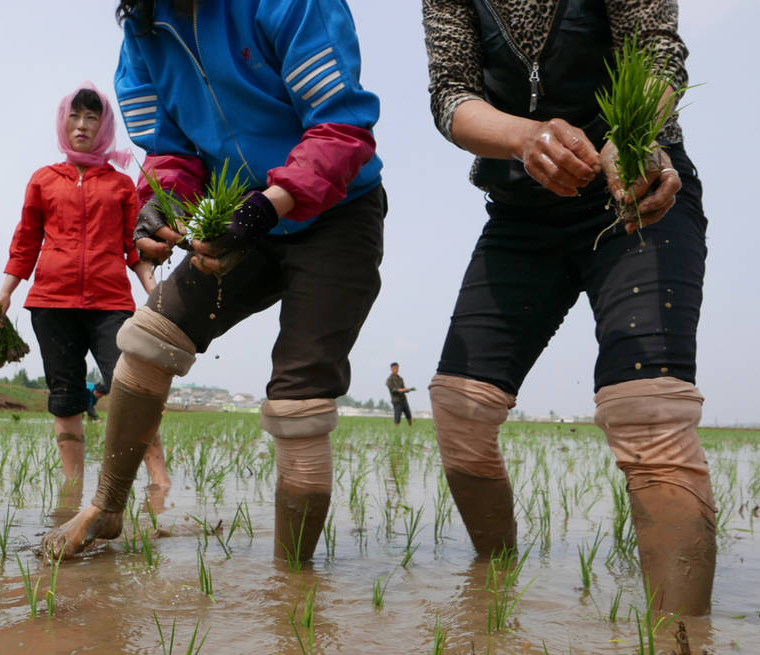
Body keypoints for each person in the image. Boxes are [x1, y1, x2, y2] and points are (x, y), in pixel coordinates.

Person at [42, 0, 385, 564]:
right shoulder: (144, 31)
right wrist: (161, 207)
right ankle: (105, 507)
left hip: (336, 212)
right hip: (236, 215)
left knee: (299, 400)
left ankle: (290, 585)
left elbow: (340, 126)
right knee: (147, 340)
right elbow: (171, 149)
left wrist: (263, 211)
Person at [423, 0, 713, 614]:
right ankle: (491, 599)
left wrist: (630, 144)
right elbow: (451, 95)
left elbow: (660, 54)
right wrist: (527, 138)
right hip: (523, 209)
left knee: (648, 413)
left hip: (634, 189)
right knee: (461, 408)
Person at [0, 82, 165, 489]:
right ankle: (72, 491)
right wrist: (5, 292)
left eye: (93, 118)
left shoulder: (121, 184)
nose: (83, 125)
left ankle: (160, 482)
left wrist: (155, 290)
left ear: (104, 127)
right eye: (75, 116)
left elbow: (133, 246)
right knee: (65, 396)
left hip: (111, 303)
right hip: (52, 303)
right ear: (63, 122)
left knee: (132, 390)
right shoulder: (44, 180)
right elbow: (26, 241)